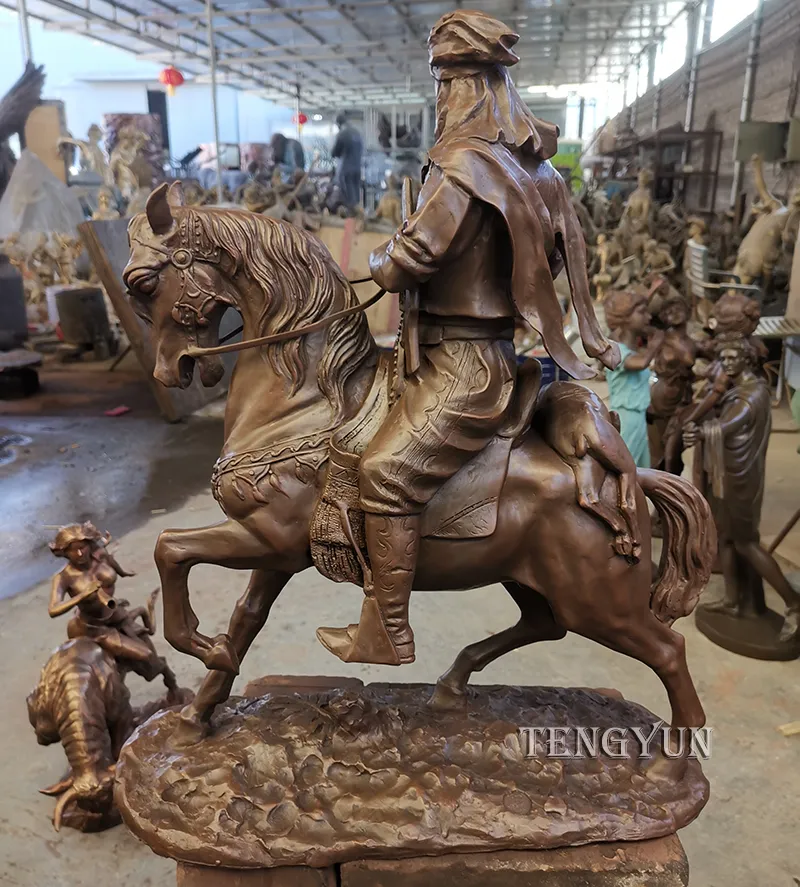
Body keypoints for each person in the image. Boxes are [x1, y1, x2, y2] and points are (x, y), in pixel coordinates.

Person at [316, 9, 619, 667]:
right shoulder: (535, 169)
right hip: (469, 350)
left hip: (464, 363)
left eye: (446, 84)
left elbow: (409, 260)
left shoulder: (462, 164)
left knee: (385, 472)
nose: (441, 98)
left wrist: (380, 256)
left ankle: (387, 631)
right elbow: (567, 256)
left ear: (470, 85)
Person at [684, 340, 800, 640]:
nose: (727, 361)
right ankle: (733, 601)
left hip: (742, 479)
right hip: (727, 473)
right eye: (723, 357)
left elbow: (729, 425)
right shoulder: (739, 389)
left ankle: (794, 603)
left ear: (748, 359)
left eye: (734, 356)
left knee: (746, 542)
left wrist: (701, 431)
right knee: (725, 538)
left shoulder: (753, 394)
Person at [48, 522, 179, 695]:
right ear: (64, 552)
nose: (80, 553)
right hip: (96, 628)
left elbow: (111, 562)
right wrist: (81, 596)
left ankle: (171, 684)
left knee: (149, 654)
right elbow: (53, 609)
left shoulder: (100, 556)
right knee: (145, 654)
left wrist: (123, 572)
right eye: (73, 550)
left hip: (116, 613)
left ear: (89, 545)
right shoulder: (63, 577)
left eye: (82, 547)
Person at [604, 289, 664, 468]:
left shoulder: (630, 350)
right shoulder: (616, 351)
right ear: (625, 318)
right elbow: (641, 363)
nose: (648, 317)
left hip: (638, 416)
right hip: (627, 418)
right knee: (627, 468)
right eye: (642, 312)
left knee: (641, 469)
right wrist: (655, 345)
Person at [331, 112, 364, 211]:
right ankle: (358, 215)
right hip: (357, 169)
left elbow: (334, 153)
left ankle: (350, 218)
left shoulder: (342, 134)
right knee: (356, 196)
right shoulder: (357, 133)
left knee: (347, 198)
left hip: (346, 170)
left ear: (338, 124)